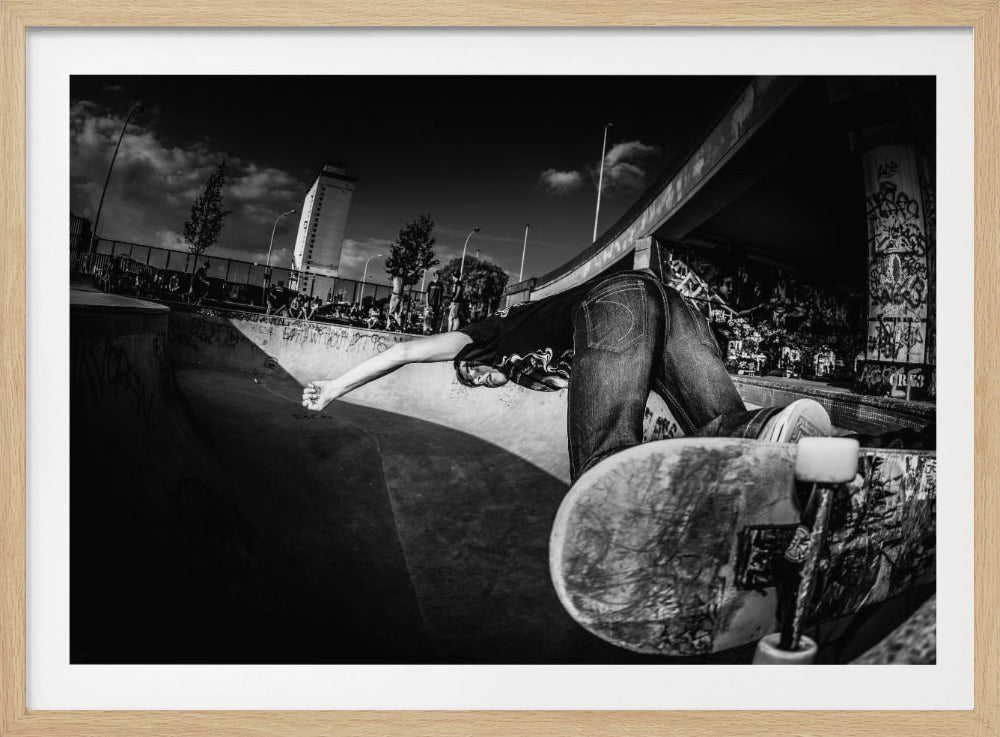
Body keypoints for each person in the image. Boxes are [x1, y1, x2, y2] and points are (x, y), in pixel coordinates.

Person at [302, 270, 832, 484]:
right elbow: (608, 379)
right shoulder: (533, 369)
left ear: (471, 360)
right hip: (671, 307)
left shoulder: (485, 334)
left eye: (477, 377)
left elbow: (405, 351)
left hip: (616, 302)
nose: (487, 383)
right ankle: (789, 436)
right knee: (729, 426)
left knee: (601, 462)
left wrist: (334, 386)